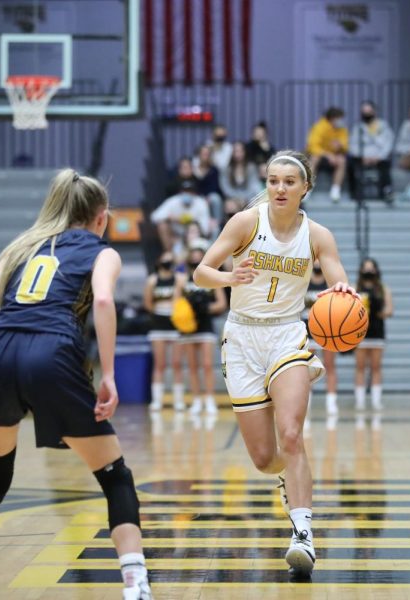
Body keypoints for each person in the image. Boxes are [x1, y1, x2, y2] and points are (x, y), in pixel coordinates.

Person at [0, 170, 152, 600]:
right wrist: (108, 376)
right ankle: (136, 586)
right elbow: (106, 302)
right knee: (115, 476)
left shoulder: (19, 248)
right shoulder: (101, 251)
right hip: (53, 351)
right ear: (101, 218)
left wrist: (3, 368)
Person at [192, 150, 356, 576]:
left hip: (287, 334)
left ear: (305, 188)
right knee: (266, 458)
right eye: (272, 180)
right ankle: (289, 474)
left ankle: (303, 534)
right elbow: (200, 272)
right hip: (242, 336)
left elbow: (337, 275)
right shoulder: (246, 223)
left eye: (289, 181)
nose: (279, 188)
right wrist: (230, 277)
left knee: (291, 434)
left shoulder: (317, 234)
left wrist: (342, 292)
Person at [178, 246, 227, 415]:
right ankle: (197, 400)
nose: (195, 260)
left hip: (206, 325)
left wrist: (206, 307)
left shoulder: (212, 278)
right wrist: (187, 309)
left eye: (199, 257)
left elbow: (222, 303)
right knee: (192, 366)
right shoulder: (182, 279)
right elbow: (176, 303)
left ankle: (209, 399)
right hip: (188, 327)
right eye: (193, 257)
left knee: (206, 365)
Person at [144, 251, 186, 413]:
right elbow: (148, 303)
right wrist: (160, 310)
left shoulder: (180, 279)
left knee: (176, 364)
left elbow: (183, 300)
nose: (167, 262)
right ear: (159, 262)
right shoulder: (152, 280)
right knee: (159, 364)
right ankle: (157, 401)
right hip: (158, 324)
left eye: (170, 260)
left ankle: (178, 401)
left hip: (176, 323)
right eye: (165, 260)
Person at [354, 257, 393, 412]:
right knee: (360, 367)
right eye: (366, 268)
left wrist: (376, 311)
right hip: (359, 333)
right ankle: (360, 401)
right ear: (361, 270)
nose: (369, 271)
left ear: (376, 271)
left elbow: (390, 310)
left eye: (371, 268)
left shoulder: (383, 289)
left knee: (376, 367)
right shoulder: (355, 287)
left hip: (377, 331)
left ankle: (376, 401)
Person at [304, 261, 338, 415]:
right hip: (307, 330)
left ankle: (331, 403)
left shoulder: (329, 283)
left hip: (326, 331)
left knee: (330, 366)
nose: (318, 263)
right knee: (307, 370)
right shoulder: (304, 281)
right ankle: (306, 401)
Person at [348, 101, 395, 202]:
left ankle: (387, 191)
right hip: (362, 157)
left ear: (374, 112)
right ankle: (354, 192)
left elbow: (388, 144)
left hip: (379, 157)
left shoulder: (383, 126)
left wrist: (379, 157)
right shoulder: (358, 127)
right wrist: (362, 157)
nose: (366, 114)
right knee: (350, 163)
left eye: (369, 112)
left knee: (385, 164)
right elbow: (352, 145)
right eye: (364, 112)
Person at [150, 179, 212, 253]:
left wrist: (191, 222)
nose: (187, 194)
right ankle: (169, 253)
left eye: (190, 191)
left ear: (194, 193)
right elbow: (154, 217)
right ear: (180, 192)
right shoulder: (173, 201)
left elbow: (205, 228)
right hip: (175, 236)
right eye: (185, 191)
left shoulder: (200, 203)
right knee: (162, 225)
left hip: (193, 235)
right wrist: (171, 218)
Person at [306, 107, 348, 202]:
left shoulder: (342, 129)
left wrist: (340, 146)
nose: (341, 121)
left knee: (342, 160)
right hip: (320, 156)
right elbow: (313, 146)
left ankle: (335, 190)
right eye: (339, 118)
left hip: (335, 157)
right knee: (314, 158)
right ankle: (308, 188)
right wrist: (328, 155)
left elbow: (345, 146)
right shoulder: (319, 127)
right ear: (332, 118)